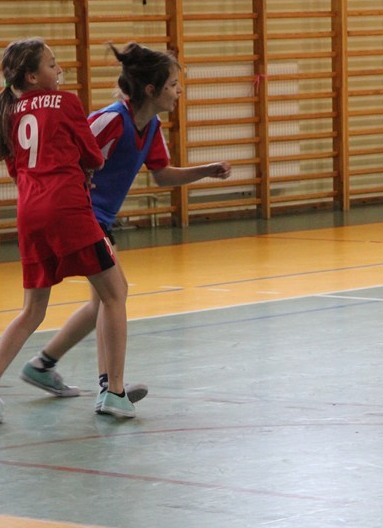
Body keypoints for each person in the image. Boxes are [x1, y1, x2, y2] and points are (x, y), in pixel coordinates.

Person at [17, 42, 231, 413]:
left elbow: (162, 175)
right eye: (173, 85)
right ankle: (110, 390)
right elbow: (68, 154)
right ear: (151, 90)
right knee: (116, 293)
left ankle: (43, 365)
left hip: (98, 218)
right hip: (81, 215)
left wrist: (206, 171)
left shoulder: (150, 127)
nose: (179, 91)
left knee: (103, 300)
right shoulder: (111, 120)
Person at [0, 38, 135, 422]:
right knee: (114, 293)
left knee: (32, 310)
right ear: (32, 75)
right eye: (52, 64)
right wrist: (81, 169)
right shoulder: (67, 102)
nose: (59, 70)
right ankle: (115, 391)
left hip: (29, 212)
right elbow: (93, 155)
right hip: (68, 209)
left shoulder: (9, 112)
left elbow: (17, 169)